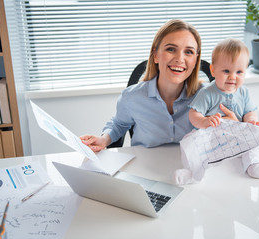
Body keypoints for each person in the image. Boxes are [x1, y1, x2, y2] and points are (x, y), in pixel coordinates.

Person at [80, 19, 237, 152]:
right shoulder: (131, 97)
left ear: (196, 60)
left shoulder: (210, 96)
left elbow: (225, 136)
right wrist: (104, 139)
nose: (179, 59)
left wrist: (233, 126)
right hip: (144, 170)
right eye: (171, 49)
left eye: (188, 52)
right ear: (155, 54)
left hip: (191, 171)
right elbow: (119, 124)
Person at [176, 38, 259, 184]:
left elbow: (249, 111)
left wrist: (251, 121)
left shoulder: (243, 92)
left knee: (256, 141)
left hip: (236, 136)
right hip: (211, 137)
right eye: (226, 71)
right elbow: (193, 114)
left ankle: (254, 166)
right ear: (213, 70)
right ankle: (193, 173)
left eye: (239, 72)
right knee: (190, 143)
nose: (233, 77)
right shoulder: (207, 93)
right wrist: (204, 121)